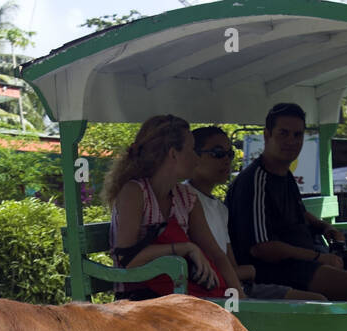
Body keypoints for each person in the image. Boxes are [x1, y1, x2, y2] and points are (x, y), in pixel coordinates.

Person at [102, 114, 243, 301]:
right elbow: (127, 259)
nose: (196, 158)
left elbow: (216, 255)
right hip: (138, 301)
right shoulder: (134, 192)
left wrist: (241, 299)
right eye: (192, 150)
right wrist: (185, 248)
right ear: (173, 154)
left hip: (174, 296)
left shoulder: (186, 197)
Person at [225, 103, 347, 300]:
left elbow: (299, 213)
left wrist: (324, 226)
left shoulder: (285, 176)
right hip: (275, 271)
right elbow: (262, 248)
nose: (291, 141)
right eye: (283, 133)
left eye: (297, 135)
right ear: (267, 135)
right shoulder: (255, 181)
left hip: (304, 262)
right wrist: (319, 258)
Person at [186, 126, 327, 302]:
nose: (226, 160)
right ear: (193, 155)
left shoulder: (220, 209)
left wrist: (248, 273)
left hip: (235, 285)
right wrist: (249, 274)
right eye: (217, 153)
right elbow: (215, 262)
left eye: (230, 154)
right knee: (313, 302)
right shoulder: (186, 199)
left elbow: (230, 264)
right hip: (214, 290)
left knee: (317, 300)